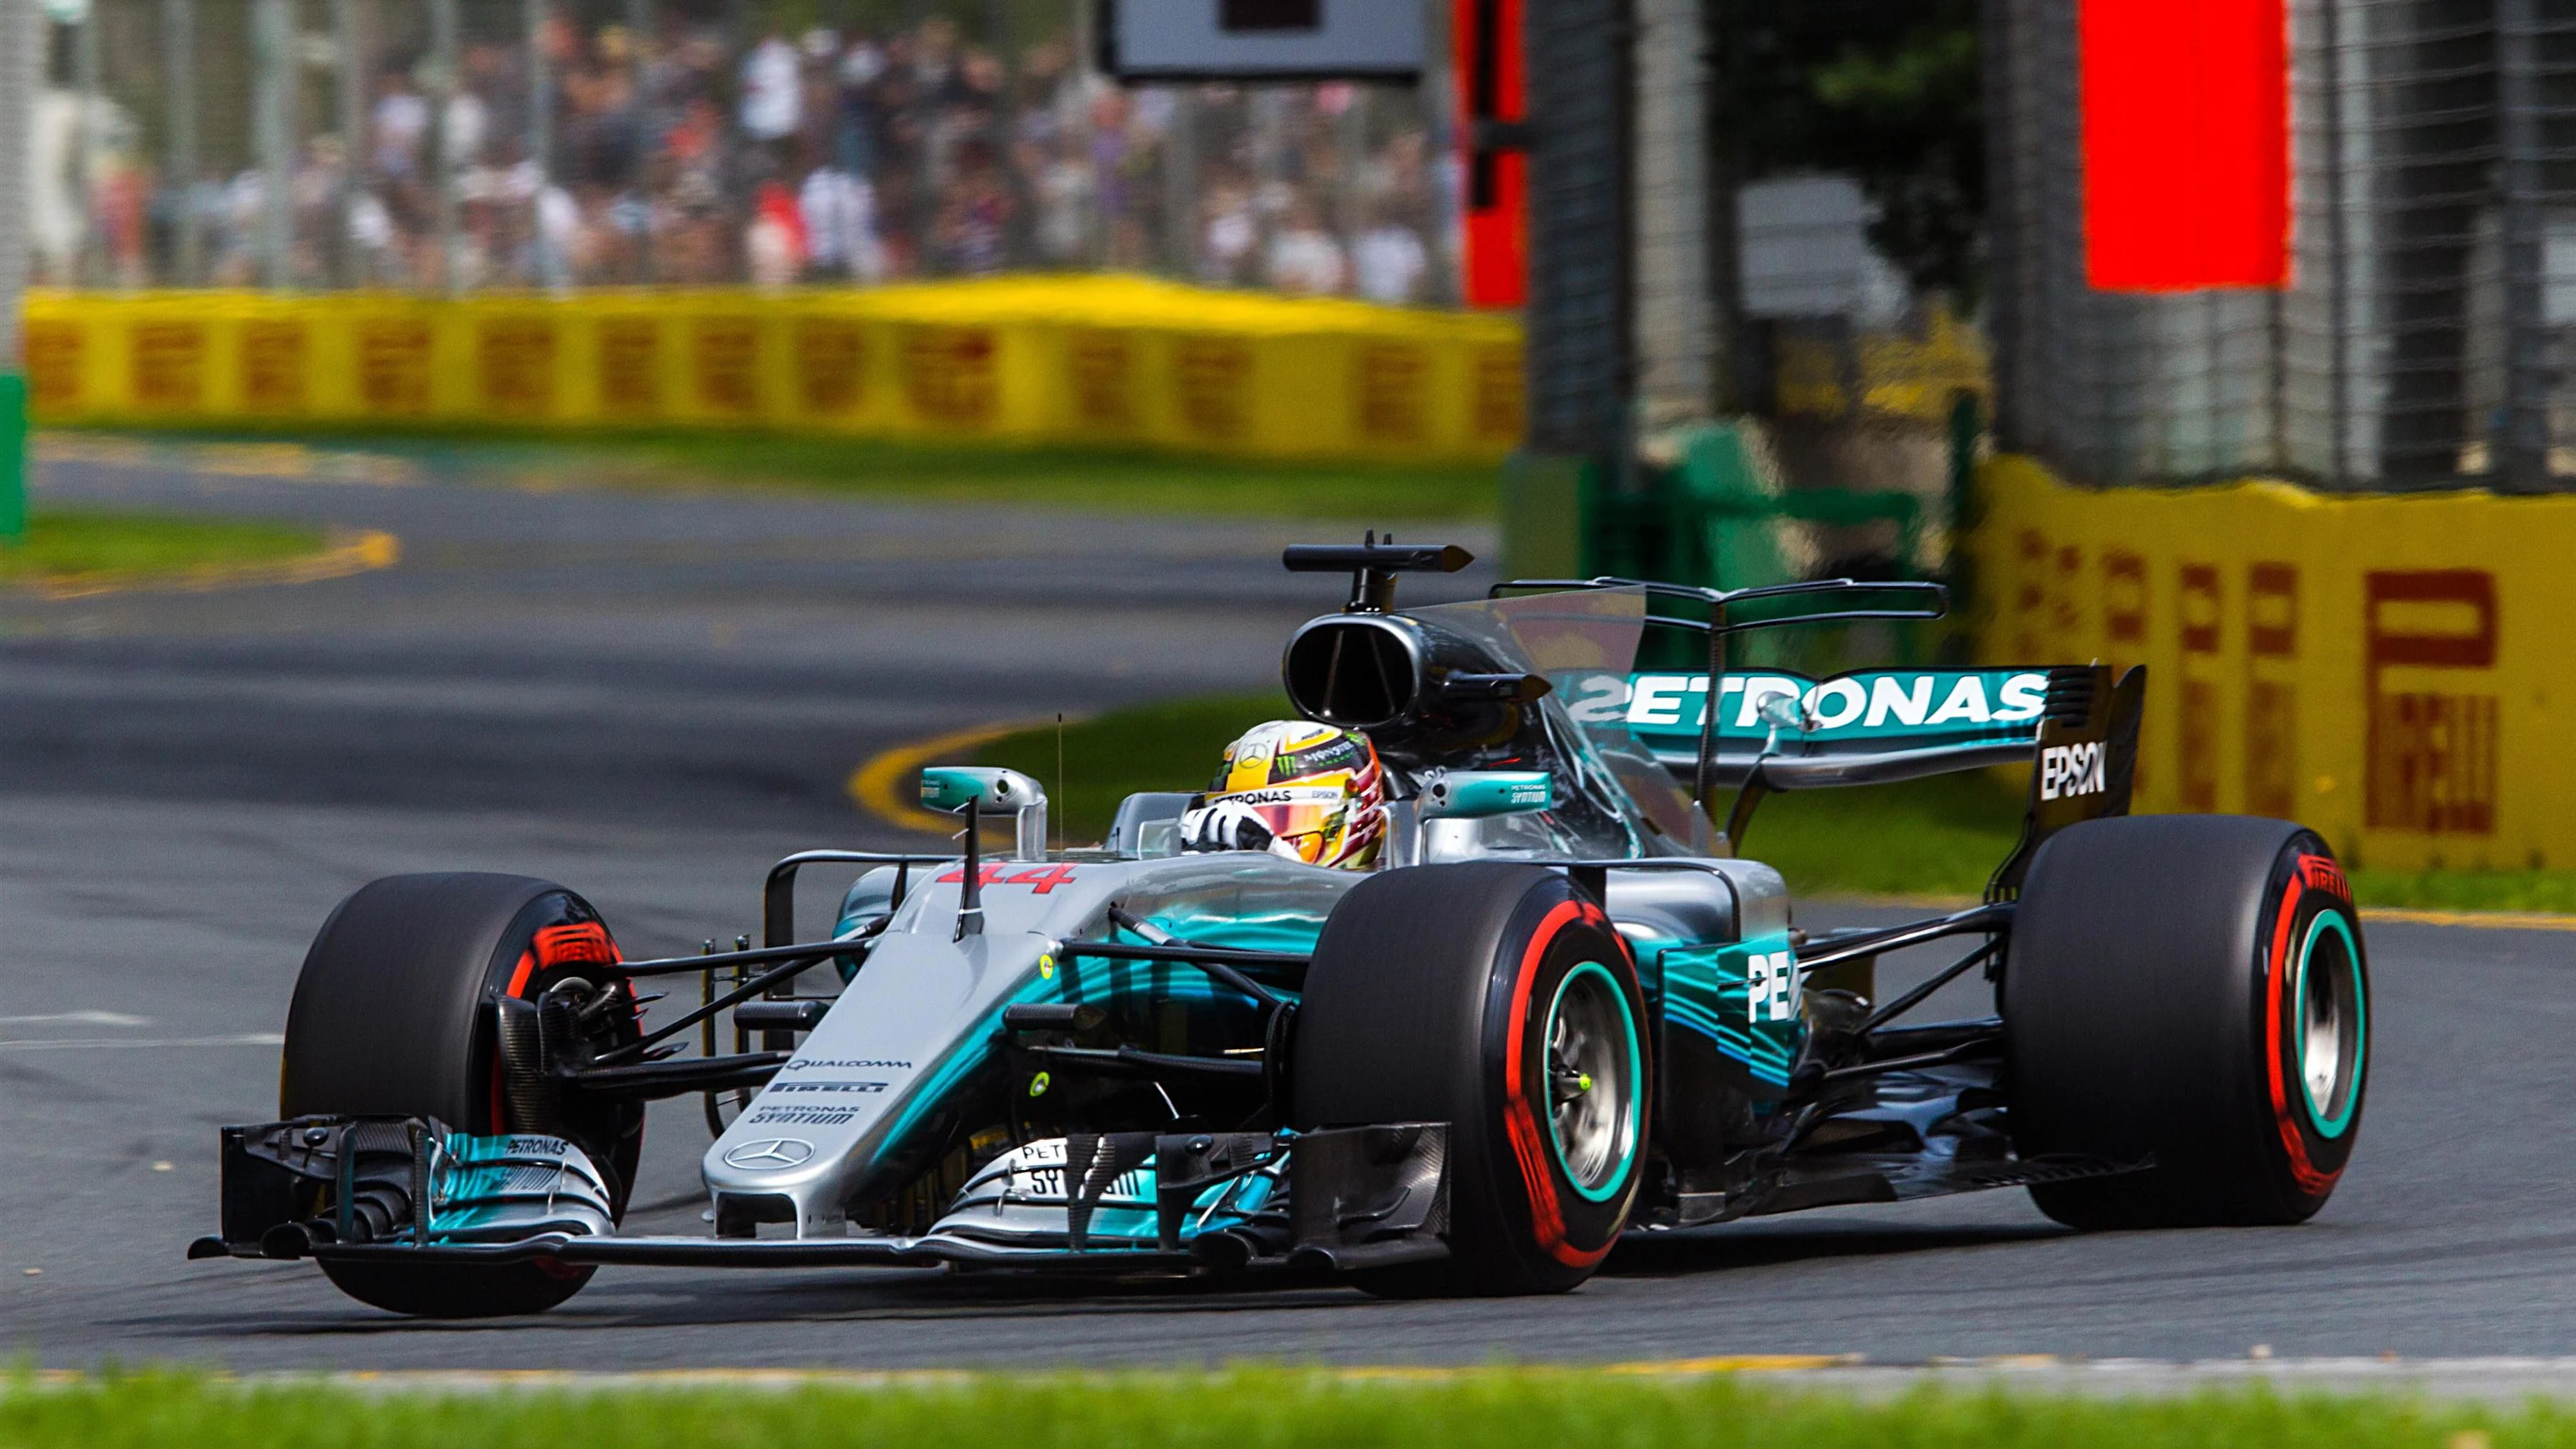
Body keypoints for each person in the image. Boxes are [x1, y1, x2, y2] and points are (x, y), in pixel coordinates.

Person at [1179, 721, 1386, 870]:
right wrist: (1195, 878)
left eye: (1284, 818)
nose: (1251, 850)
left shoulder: (1391, 908)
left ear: (1356, 810)